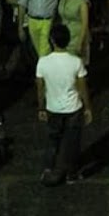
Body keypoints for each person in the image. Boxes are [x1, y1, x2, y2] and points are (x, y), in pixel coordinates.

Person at [36, 22, 92, 186]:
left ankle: (49, 169)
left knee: (53, 140)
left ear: (52, 40)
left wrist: (41, 108)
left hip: (53, 108)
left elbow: (40, 88)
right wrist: (88, 108)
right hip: (73, 108)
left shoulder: (43, 62)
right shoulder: (76, 62)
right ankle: (71, 174)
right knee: (72, 143)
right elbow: (82, 88)